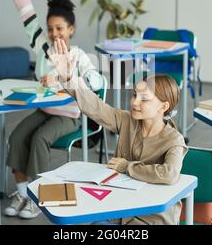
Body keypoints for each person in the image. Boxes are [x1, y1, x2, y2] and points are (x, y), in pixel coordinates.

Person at [48, 37, 187, 225]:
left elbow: (169, 173)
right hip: (121, 207)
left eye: (144, 99)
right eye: (134, 95)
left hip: (152, 218)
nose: (135, 102)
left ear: (164, 106)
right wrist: (69, 78)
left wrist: (126, 167)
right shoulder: (127, 120)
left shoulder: (174, 140)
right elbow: (95, 107)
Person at [4, 0, 103, 219]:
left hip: (69, 115)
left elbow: (97, 82)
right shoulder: (43, 48)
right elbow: (26, 14)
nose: (54, 33)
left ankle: (39, 197)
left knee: (39, 139)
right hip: (44, 109)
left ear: (71, 29)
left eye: (59, 28)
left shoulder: (79, 56)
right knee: (16, 138)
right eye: (50, 29)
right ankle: (23, 193)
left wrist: (65, 80)